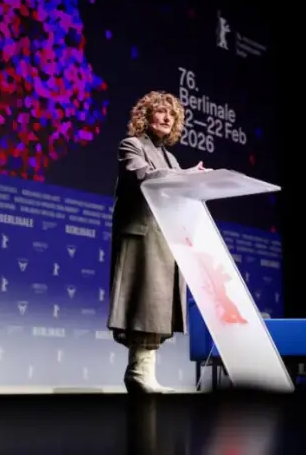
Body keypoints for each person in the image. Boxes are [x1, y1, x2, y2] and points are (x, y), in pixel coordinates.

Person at [106, 91, 208, 393]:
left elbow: (176, 191)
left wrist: (196, 183)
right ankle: (138, 373)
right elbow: (142, 175)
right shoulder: (131, 145)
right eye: (161, 111)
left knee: (159, 307)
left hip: (166, 239)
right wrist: (185, 176)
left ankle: (142, 374)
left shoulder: (171, 157)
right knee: (144, 303)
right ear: (145, 115)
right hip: (141, 236)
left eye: (172, 115)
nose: (167, 118)